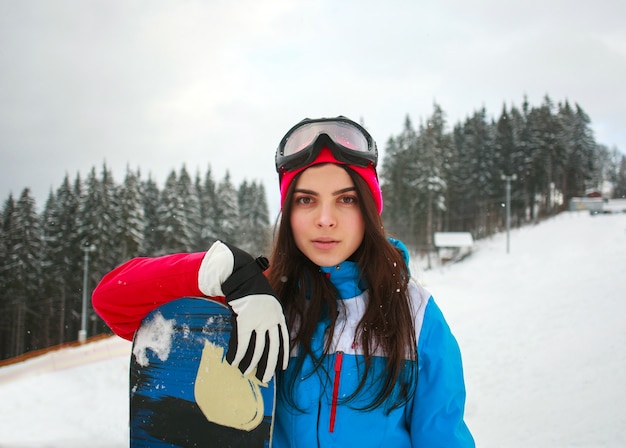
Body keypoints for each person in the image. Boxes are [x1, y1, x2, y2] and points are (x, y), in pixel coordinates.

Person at [92, 116, 475, 447]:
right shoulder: (257, 300)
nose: (325, 219)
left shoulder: (415, 314)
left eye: (346, 199)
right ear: (288, 212)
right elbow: (113, 302)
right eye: (306, 200)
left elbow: (442, 437)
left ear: (370, 209)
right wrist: (213, 273)